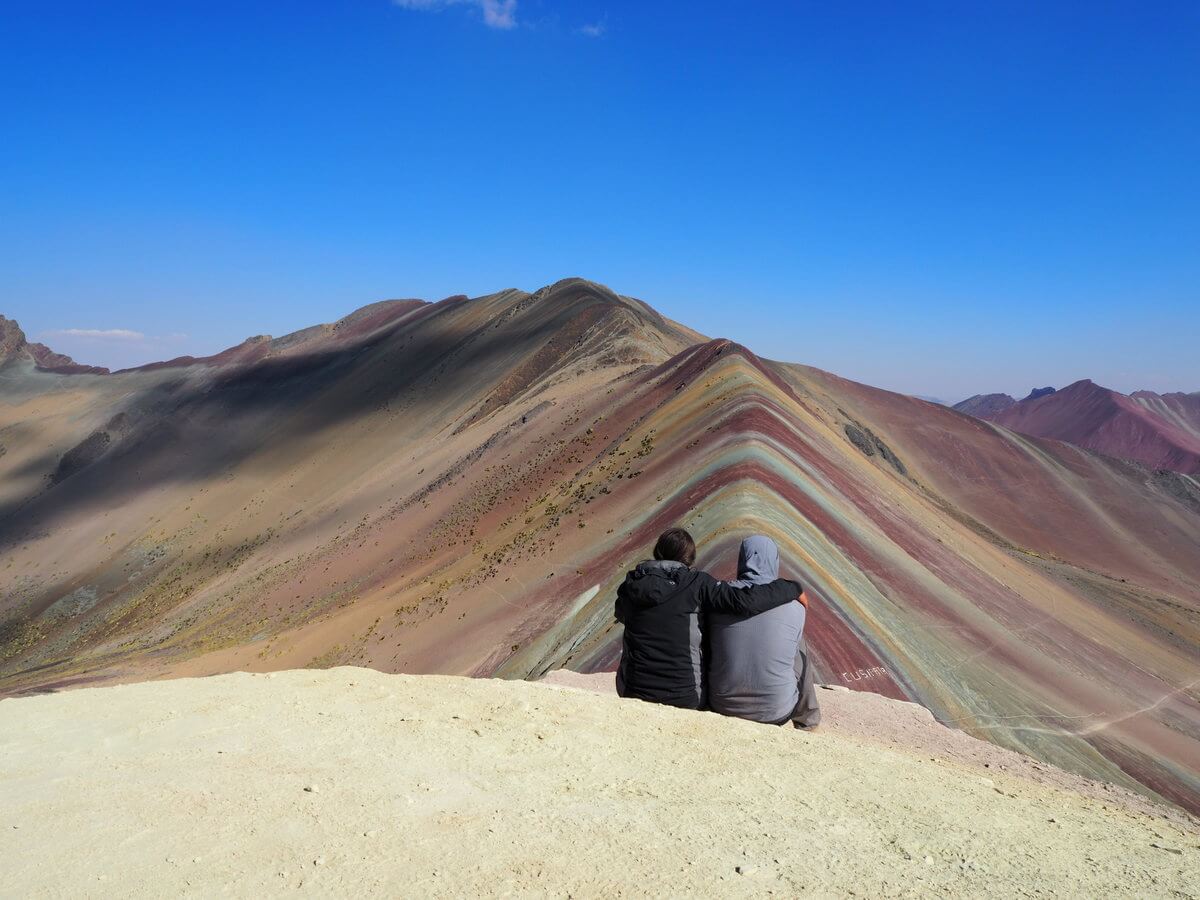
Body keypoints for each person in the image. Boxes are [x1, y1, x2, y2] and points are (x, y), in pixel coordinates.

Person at [614, 527, 803, 710]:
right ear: (690, 558)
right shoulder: (698, 584)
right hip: (685, 697)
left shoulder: (630, 586)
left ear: (657, 552)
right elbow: (745, 602)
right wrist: (792, 588)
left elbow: (621, 615)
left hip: (633, 691)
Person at [706, 535, 822, 730]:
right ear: (774, 561)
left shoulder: (719, 598)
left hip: (721, 704)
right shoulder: (795, 606)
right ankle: (808, 721)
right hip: (776, 712)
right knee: (798, 645)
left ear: (742, 560)